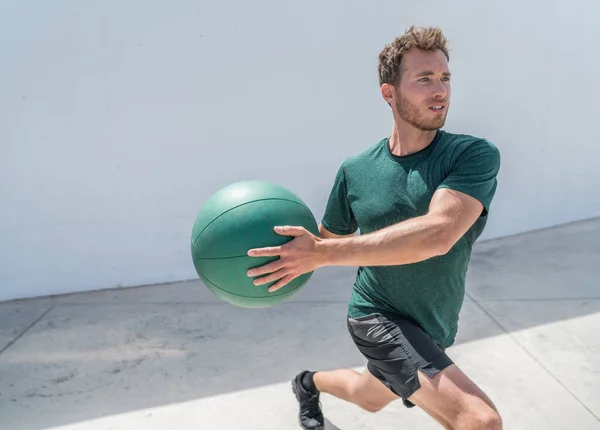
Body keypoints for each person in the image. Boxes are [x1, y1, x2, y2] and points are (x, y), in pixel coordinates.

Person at [246, 25, 502, 430]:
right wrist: (285, 250)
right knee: (478, 421)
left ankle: (307, 384)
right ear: (389, 93)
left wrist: (323, 253)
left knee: (367, 397)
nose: (440, 90)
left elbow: (439, 233)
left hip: (433, 323)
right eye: (424, 79)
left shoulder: (471, 155)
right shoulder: (356, 170)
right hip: (375, 317)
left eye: (445, 77)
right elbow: (325, 243)